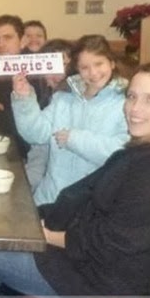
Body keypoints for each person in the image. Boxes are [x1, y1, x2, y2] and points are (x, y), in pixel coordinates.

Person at [0, 62, 150, 297]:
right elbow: (84, 200)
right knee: (0, 228)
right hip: (92, 261)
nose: (135, 109)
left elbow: (113, 244)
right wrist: (35, 217)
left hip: (106, 286)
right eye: (132, 96)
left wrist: (46, 235)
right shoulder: (147, 151)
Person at [11, 34, 129, 205]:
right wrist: (24, 98)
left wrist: (75, 139)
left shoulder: (125, 103)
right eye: (85, 67)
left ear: (111, 63)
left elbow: (121, 154)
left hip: (89, 205)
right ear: (77, 70)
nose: (93, 73)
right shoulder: (63, 98)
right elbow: (36, 134)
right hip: (50, 198)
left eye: (99, 64)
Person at [0, 14, 43, 159]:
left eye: (7, 37)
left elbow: (19, 121)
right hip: (12, 140)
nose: (0, 44)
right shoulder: (2, 64)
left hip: (33, 149)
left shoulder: (34, 68)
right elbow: (3, 97)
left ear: (22, 41)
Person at [24, 39, 74, 191]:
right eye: (50, 66)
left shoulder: (76, 105)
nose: (58, 74)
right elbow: (38, 158)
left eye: (64, 65)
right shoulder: (47, 101)